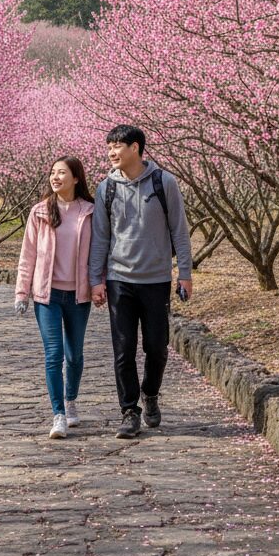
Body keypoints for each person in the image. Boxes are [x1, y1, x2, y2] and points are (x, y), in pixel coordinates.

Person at [88, 125, 193, 439]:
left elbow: (179, 231)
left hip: (156, 279)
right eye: (109, 146)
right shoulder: (106, 188)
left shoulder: (164, 183)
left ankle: (150, 393)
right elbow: (100, 239)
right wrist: (97, 279)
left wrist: (184, 273)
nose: (111, 152)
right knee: (123, 349)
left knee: (156, 348)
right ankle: (129, 411)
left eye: (117, 145)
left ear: (135, 147)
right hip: (120, 279)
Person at [15, 156, 95, 439]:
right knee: (53, 354)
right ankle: (58, 414)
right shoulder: (39, 212)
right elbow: (28, 255)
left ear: (76, 178)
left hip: (78, 295)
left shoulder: (90, 212)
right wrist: (22, 292)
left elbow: (98, 254)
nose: (55, 177)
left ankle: (71, 401)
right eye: (52, 172)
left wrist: (99, 285)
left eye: (62, 172)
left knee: (74, 356)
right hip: (46, 295)